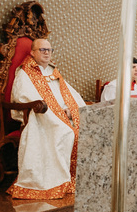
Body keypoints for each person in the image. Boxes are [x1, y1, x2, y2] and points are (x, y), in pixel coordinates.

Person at [9, 38, 85, 199]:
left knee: (86, 129)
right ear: (32, 52)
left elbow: (71, 95)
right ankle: (59, 181)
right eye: (42, 50)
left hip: (64, 115)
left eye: (49, 50)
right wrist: (56, 113)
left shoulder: (53, 71)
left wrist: (71, 110)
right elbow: (22, 96)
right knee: (65, 132)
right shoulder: (25, 73)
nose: (46, 53)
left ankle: (79, 179)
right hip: (42, 116)